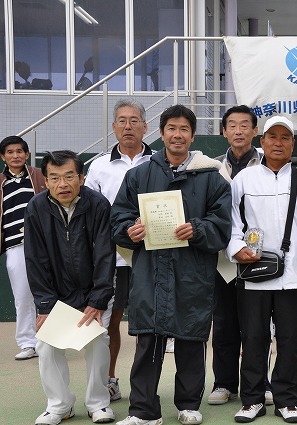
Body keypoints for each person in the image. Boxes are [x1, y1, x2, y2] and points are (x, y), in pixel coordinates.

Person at [111, 104, 232, 425]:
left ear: (193, 135)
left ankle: (189, 405)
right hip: (149, 271)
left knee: (191, 339)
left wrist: (197, 229)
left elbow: (222, 227)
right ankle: (143, 411)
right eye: (171, 129)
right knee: (148, 341)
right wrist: (130, 230)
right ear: (161, 133)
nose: (177, 135)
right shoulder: (139, 175)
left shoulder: (212, 177)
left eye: (184, 129)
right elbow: (118, 218)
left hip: (193, 272)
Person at [227, 115, 297, 423]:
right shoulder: (243, 179)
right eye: (272, 137)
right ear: (262, 141)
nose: (278, 143)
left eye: (285, 137)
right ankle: (252, 400)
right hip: (253, 276)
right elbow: (232, 223)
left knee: (289, 341)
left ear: (293, 144)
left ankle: (287, 400)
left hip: (293, 279)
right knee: (253, 341)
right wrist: (236, 249)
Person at [24, 150, 116, 424]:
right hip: (55, 294)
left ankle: (98, 403)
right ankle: (60, 405)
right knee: (46, 345)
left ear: (81, 178)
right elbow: (35, 259)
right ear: (45, 181)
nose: (62, 184)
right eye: (54, 178)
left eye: (69, 176)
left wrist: (97, 300)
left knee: (98, 341)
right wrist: (45, 305)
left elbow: (105, 255)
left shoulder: (98, 205)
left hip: (93, 291)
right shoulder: (36, 207)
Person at [85, 98, 153, 402]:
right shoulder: (98, 166)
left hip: (149, 255)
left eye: (134, 120)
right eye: (122, 121)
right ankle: (108, 380)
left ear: (145, 127)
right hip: (110, 259)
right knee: (110, 322)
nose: (128, 126)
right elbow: (90, 214)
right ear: (113, 127)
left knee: (149, 322)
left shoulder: (158, 161)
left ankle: (146, 385)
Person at [207, 104, 262, 406]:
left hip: (258, 256)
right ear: (224, 131)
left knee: (257, 326)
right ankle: (224, 383)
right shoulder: (212, 167)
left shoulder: (267, 164)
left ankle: (260, 382)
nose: (238, 131)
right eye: (232, 125)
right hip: (222, 259)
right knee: (224, 322)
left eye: (245, 125)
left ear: (255, 131)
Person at [0, 135, 46, 360]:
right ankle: (28, 343)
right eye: (10, 152)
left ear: (27, 154)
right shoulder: (1, 182)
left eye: (19, 151)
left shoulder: (39, 176)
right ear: (3, 157)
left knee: (52, 290)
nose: (15, 155)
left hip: (45, 244)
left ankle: (53, 340)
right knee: (22, 295)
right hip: (14, 246)